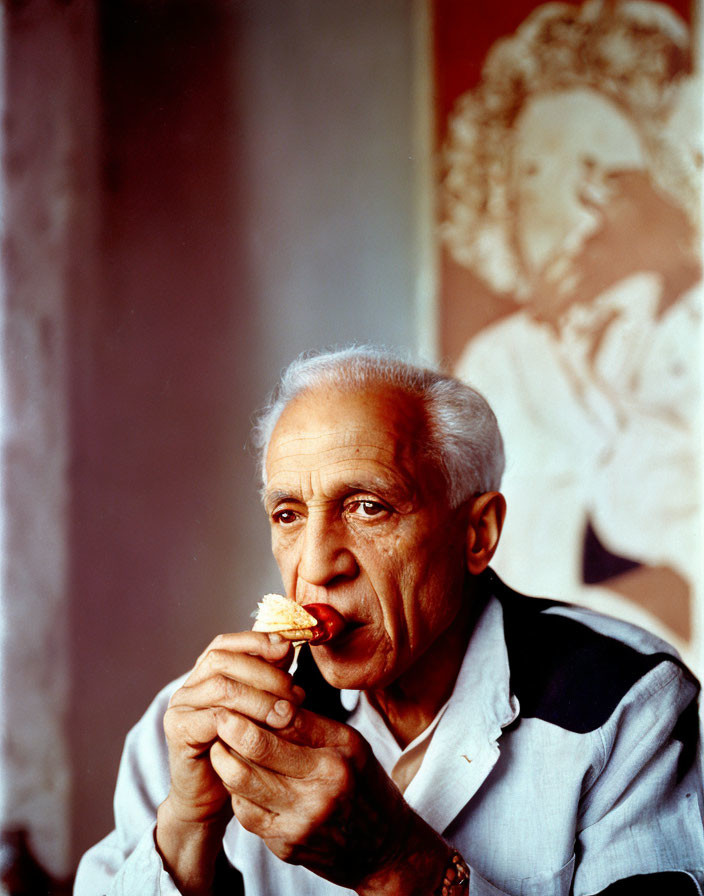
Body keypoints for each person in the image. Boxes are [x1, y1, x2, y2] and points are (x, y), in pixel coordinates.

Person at [75, 347, 704, 895]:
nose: (317, 565)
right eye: (288, 514)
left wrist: (400, 866)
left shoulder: (627, 705)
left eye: (368, 507)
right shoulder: (197, 726)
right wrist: (186, 827)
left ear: (476, 534)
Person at [441, 0, 702, 660]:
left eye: (603, 175)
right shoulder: (499, 366)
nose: (573, 206)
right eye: (538, 173)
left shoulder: (685, 334)